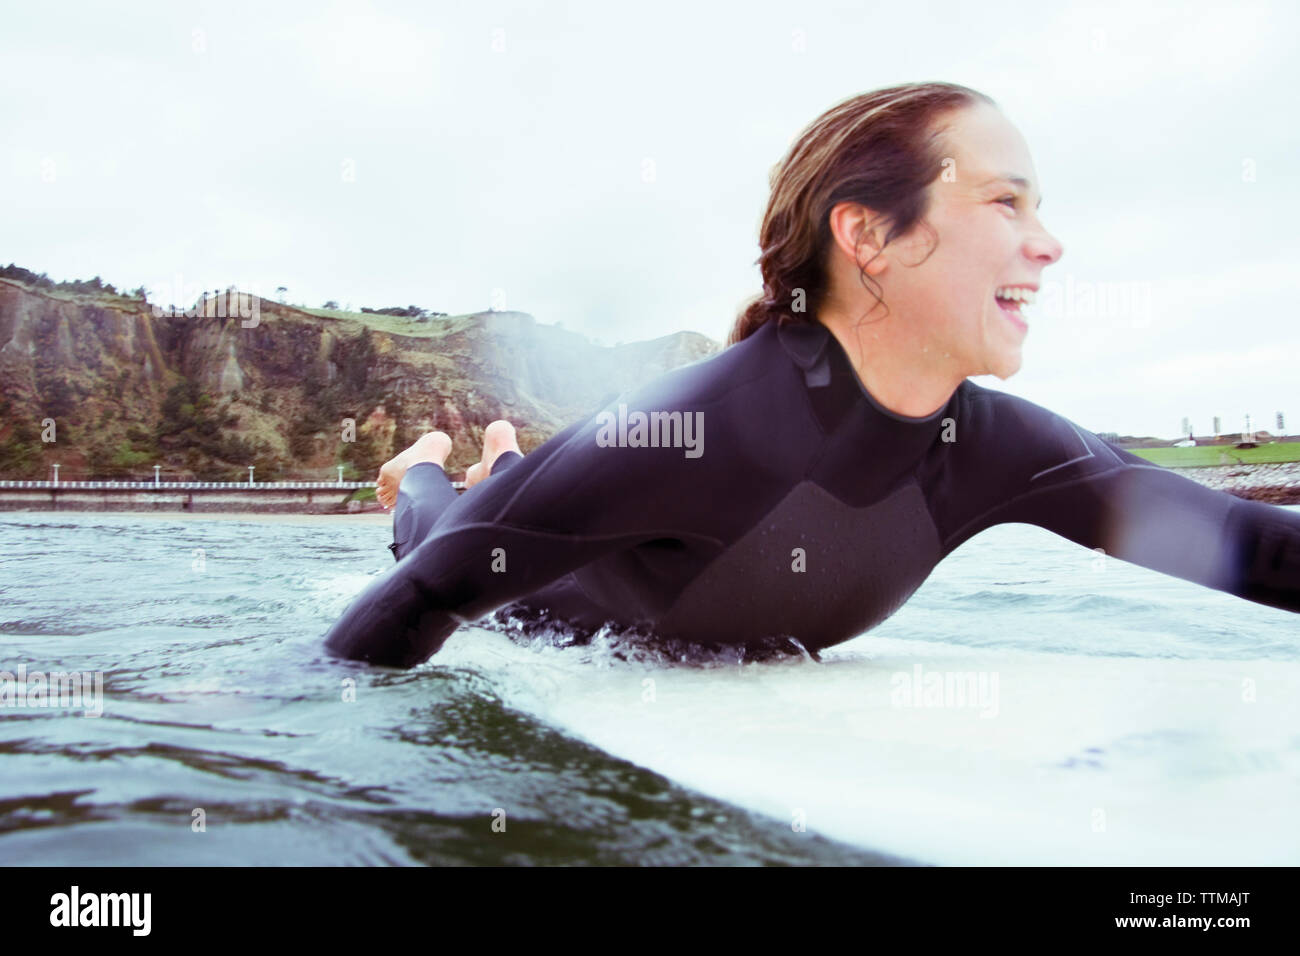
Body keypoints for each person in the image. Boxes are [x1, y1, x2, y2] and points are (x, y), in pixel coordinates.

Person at [325, 81, 1300, 668]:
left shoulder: (1000, 450)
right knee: (434, 523)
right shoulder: (695, 428)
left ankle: (500, 456)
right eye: (1004, 204)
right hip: (525, 589)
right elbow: (419, 597)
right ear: (867, 234)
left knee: (504, 487)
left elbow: (1253, 549)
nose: (1045, 244)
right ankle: (434, 459)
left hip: (598, 528)